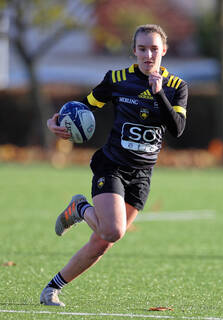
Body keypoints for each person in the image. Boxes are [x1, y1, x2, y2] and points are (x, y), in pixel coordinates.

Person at [40, 24, 188, 307]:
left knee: (103, 242)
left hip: (142, 174)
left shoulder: (176, 87)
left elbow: (177, 128)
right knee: (113, 231)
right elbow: (83, 106)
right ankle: (81, 207)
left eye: (154, 49)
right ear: (134, 51)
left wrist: (158, 94)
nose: (148, 54)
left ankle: (52, 289)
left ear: (164, 51)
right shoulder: (117, 79)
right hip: (112, 166)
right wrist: (56, 121)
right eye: (142, 48)